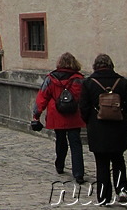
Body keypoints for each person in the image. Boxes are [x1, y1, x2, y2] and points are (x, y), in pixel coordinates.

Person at [80, 54, 127, 206]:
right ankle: (121, 190)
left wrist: (91, 120)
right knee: (118, 160)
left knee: (102, 163)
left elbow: (83, 108)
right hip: (119, 127)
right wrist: (120, 109)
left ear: (95, 66)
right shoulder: (122, 82)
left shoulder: (88, 83)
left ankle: (104, 197)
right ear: (111, 65)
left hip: (98, 128)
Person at [32, 52, 86, 184]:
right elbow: (84, 97)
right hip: (74, 114)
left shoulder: (51, 78)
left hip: (56, 114)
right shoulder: (79, 79)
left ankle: (60, 165)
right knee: (75, 143)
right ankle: (78, 173)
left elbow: (42, 97)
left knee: (60, 141)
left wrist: (36, 115)